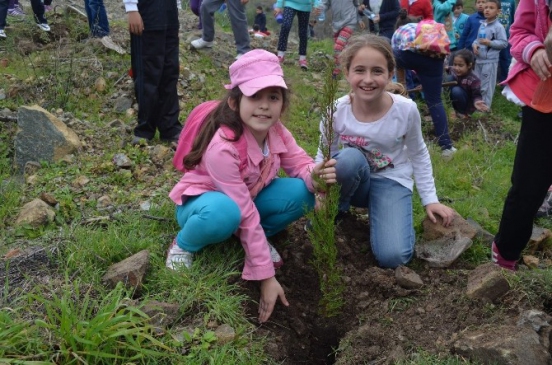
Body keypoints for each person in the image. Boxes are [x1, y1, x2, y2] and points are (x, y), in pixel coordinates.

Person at [166, 49, 337, 323]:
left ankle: (245, 239)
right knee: (226, 213)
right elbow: (244, 212)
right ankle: (184, 244)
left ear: (283, 103)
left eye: (273, 97)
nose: (264, 105)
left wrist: (314, 177)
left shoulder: (276, 130)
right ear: (235, 102)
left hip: (245, 199)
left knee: (302, 192)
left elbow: (299, 162)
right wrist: (266, 276)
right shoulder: (224, 148)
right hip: (205, 204)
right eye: (254, 96)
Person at [315, 34, 455, 268]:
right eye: (359, 70)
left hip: (391, 180)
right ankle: (336, 212)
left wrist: (430, 199)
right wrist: (320, 192)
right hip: (355, 179)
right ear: (347, 72)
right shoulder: (336, 110)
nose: (368, 79)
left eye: (377, 71)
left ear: (390, 73)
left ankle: (387, 210)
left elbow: (418, 153)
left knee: (393, 257)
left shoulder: (405, 110)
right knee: (347, 158)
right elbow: (324, 156)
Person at [492, 0, 552, 271]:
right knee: (529, 183)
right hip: (545, 98)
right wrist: (535, 50)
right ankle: (506, 254)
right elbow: (519, 33)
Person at [392, 18, 457, 158]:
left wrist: (402, 86)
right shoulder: (428, 29)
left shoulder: (399, 31)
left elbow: (397, 61)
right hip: (436, 59)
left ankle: (400, 141)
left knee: (390, 55)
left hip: (409, 56)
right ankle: (447, 147)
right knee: (435, 101)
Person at [124, 0, 182, 145]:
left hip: (170, 13)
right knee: (147, 74)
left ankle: (170, 128)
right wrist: (131, 8)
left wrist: (176, 6)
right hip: (147, 13)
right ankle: (145, 129)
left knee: (170, 71)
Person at [472, 0, 507, 108]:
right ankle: (477, 106)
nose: (487, 10)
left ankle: (485, 108)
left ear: (498, 11)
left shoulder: (498, 27)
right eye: (486, 7)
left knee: (486, 87)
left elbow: (504, 43)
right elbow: (477, 40)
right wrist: (474, 45)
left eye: (491, 8)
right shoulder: (482, 24)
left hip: (490, 62)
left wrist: (490, 43)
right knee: (477, 84)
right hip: (479, 60)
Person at [316, 0, 364, 76]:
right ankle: (350, 67)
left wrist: (360, 19)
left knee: (338, 48)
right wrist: (321, 9)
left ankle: (337, 70)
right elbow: (325, 4)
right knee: (344, 48)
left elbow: (357, 6)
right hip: (336, 24)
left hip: (350, 21)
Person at [446, 49, 489, 118]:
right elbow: (447, 68)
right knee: (448, 78)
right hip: (454, 99)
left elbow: (476, 95)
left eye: (460, 65)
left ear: (469, 65)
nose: (456, 68)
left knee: (456, 91)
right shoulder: (452, 70)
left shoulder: (474, 80)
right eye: (455, 64)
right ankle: (449, 107)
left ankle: (462, 113)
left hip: (466, 103)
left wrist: (477, 102)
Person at [274, 0, 315, 69]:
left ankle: (302, 58)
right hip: (290, 3)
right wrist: (279, 5)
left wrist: (317, 4)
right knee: (285, 26)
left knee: (303, 32)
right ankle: (280, 55)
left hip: (305, 5)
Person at [496, 0, 516, 83]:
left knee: (505, 59)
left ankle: (505, 80)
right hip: (493, 36)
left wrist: (512, 33)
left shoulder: (511, 1)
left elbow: (513, 18)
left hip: (506, 36)